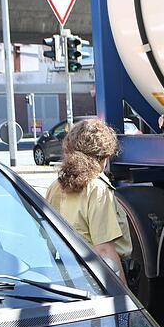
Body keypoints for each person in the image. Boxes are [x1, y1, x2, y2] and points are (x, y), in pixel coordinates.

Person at [44, 118, 132, 284]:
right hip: (96, 279)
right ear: (104, 156)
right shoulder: (97, 189)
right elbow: (105, 250)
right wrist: (124, 298)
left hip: (65, 275)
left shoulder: (55, 187)